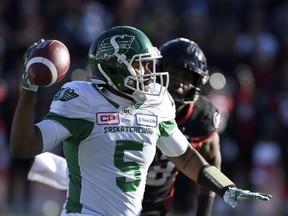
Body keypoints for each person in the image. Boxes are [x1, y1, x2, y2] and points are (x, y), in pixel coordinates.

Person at [10, 26, 271, 216]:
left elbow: (186, 157)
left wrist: (225, 187)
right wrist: (29, 89)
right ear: (114, 67)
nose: (150, 73)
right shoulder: (83, 100)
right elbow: (24, 146)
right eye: (141, 65)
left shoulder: (155, 103)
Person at [141, 38, 221, 216]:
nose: (178, 82)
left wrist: (204, 212)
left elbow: (212, 162)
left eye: (186, 77)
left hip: (157, 203)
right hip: (116, 194)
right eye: (173, 73)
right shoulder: (137, 101)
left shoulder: (201, 116)